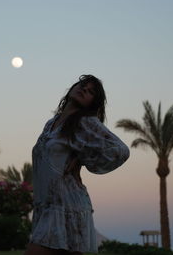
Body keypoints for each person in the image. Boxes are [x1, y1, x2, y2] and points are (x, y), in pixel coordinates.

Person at [24, 74, 130, 255]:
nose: (84, 90)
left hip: (68, 205)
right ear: (72, 88)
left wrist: (84, 159)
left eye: (90, 92)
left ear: (92, 103)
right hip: (47, 205)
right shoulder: (51, 123)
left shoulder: (85, 122)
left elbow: (120, 150)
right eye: (82, 86)